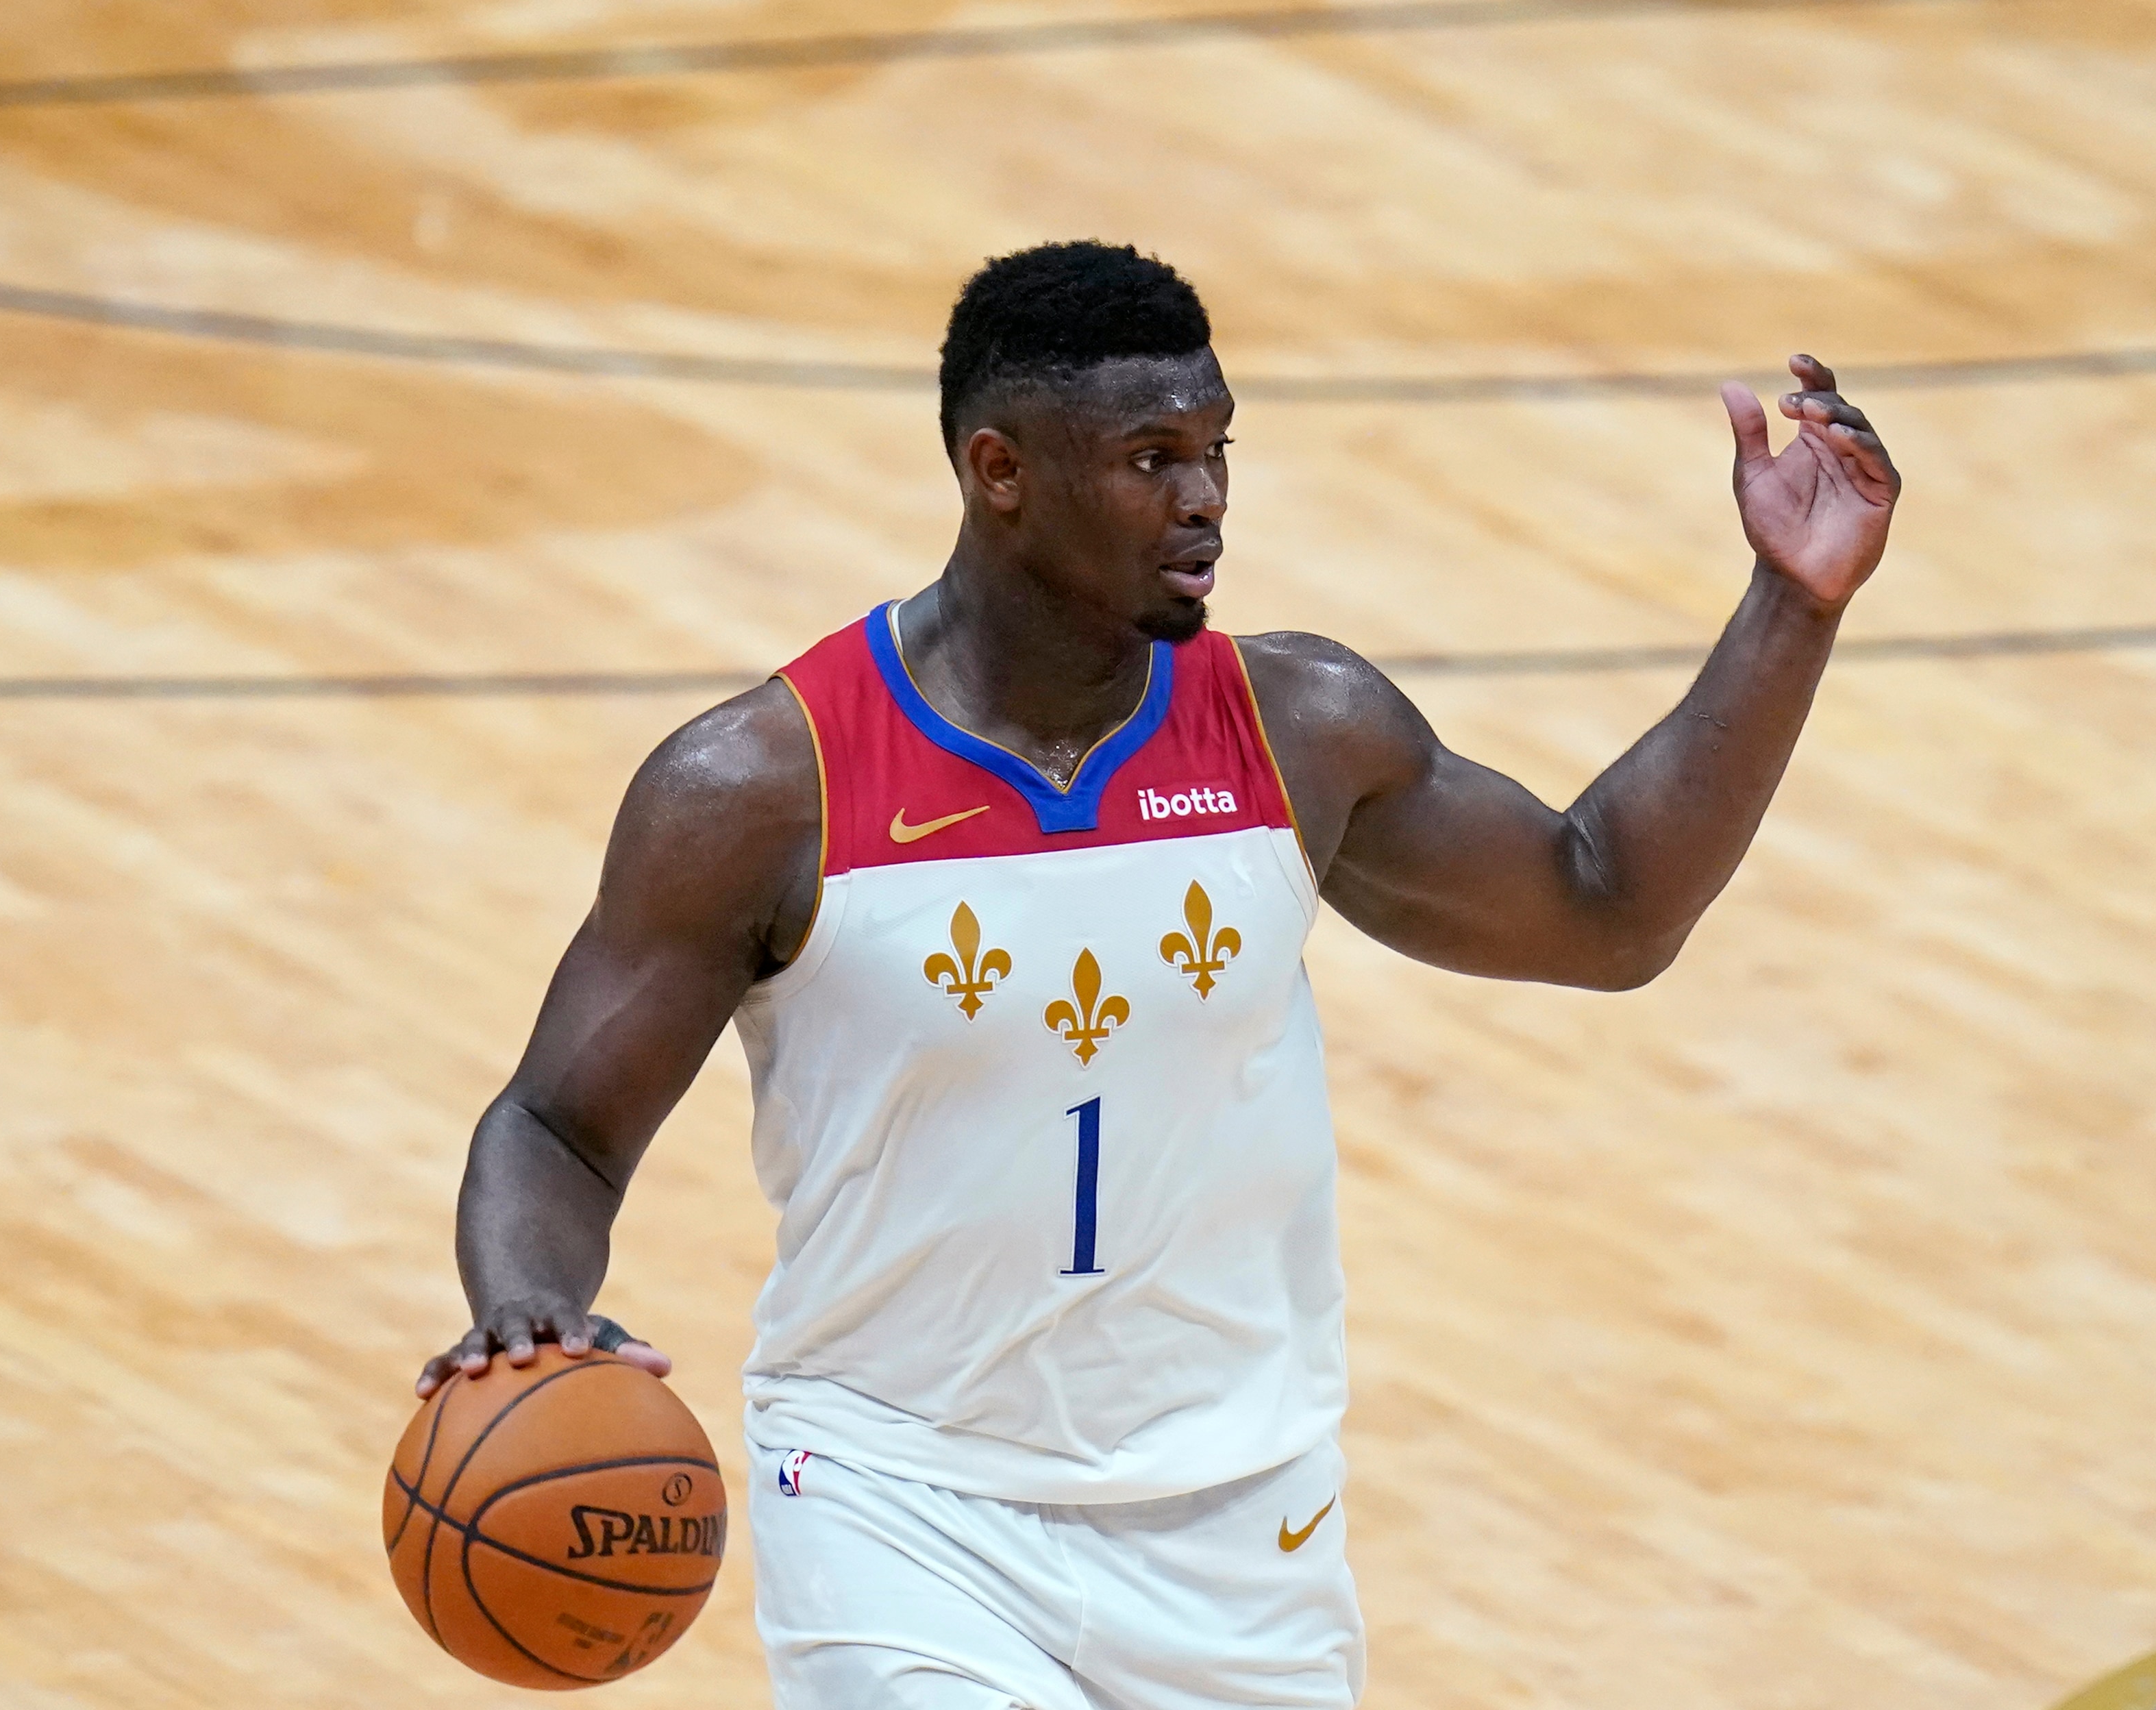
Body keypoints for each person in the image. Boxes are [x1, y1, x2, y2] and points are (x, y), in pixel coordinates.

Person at [416, 240, 1899, 1709]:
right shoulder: (761, 787)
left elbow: (1608, 913)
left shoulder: (1298, 730)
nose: (1201, 499)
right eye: (1148, 459)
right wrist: (530, 1305)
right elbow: (555, 1126)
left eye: (1215, 451)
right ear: (999, 471)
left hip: (1242, 1525)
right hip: (900, 1503)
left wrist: (1793, 607)